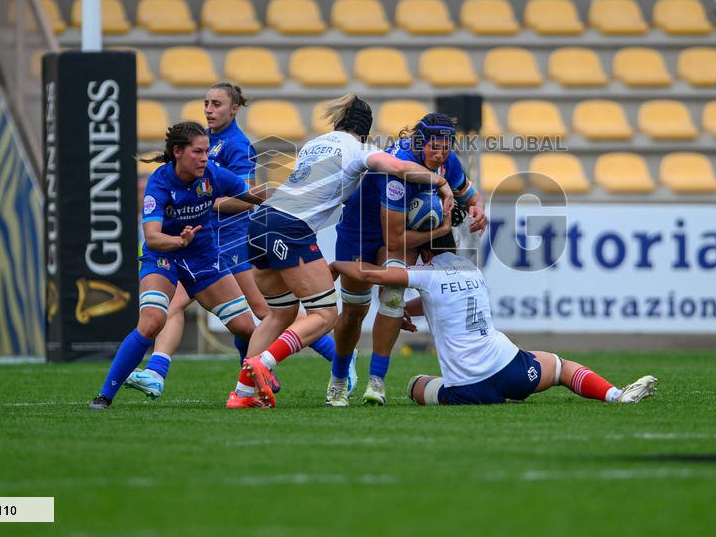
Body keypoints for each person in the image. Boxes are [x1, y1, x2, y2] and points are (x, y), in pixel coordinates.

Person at [227, 94, 455, 408]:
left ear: (339, 123)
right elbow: (400, 167)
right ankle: (263, 363)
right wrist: (440, 182)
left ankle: (242, 394)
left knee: (280, 314)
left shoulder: (313, 144)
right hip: (291, 228)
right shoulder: (359, 150)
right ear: (365, 132)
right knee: (325, 315)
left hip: (260, 223)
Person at [123, 83, 342, 400]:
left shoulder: (236, 146)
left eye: (216, 104)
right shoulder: (205, 141)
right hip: (204, 241)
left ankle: (339, 362)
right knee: (178, 305)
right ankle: (159, 371)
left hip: (234, 240)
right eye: (206, 103)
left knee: (270, 313)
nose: (209, 109)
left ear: (234, 109)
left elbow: (246, 197)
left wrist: (200, 202)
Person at [331, 231, 657, 407]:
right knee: (560, 366)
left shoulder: (426, 274)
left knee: (416, 384)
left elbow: (372, 274)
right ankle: (615, 395)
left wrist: (336, 267)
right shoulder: (471, 270)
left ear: (425, 254)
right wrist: (408, 310)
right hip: (511, 368)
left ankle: (463, 392)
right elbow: (445, 301)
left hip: (469, 389)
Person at [89, 121, 266, 410]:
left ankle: (246, 390)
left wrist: (286, 196)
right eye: (198, 152)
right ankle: (104, 395)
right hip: (164, 257)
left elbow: (250, 195)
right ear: (178, 152)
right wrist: (179, 242)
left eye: (207, 151)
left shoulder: (212, 175)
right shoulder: (158, 184)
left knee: (247, 327)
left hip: (204, 258)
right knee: (151, 322)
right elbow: (153, 237)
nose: (205, 158)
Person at [327, 113, 487, 407]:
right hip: (360, 233)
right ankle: (338, 378)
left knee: (392, 297)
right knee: (354, 312)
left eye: (445, 147)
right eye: (433, 147)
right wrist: (440, 229)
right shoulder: (396, 172)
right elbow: (395, 240)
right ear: (418, 142)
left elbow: (472, 197)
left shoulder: (446, 162)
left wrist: (478, 210)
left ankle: (377, 381)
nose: (439, 154)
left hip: (399, 233)